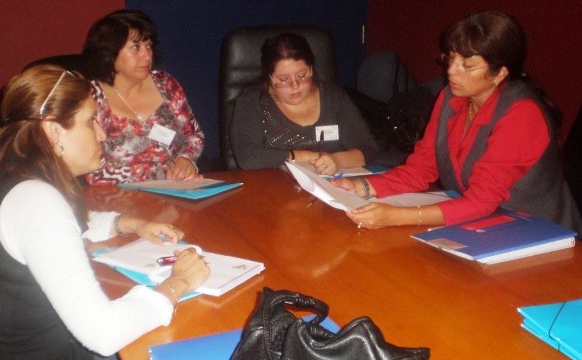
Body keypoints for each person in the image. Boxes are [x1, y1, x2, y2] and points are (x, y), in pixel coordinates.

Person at [0, 65, 210, 360]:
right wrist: (179, 283)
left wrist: (130, 224)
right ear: (53, 130)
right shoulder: (36, 202)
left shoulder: (18, 179)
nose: (102, 134)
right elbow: (104, 334)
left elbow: (65, 225)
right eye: (90, 121)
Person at [332, 10, 582, 233]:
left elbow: (482, 201)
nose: (452, 71)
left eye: (467, 65)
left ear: (500, 73)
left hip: (539, 235)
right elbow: (421, 169)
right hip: (485, 226)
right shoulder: (451, 97)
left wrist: (395, 216)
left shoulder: (521, 115)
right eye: (450, 59)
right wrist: (361, 187)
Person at [83, 9, 204, 184]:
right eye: (135, 47)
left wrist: (185, 160)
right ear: (109, 53)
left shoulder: (166, 84)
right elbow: (93, 171)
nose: (147, 55)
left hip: (176, 192)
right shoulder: (91, 99)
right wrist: (161, 176)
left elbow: (193, 136)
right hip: (119, 199)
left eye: (148, 46)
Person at [230, 33, 379, 174]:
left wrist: (338, 160)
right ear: (269, 77)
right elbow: (247, 157)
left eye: (302, 76)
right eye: (283, 79)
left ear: (312, 69)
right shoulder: (253, 101)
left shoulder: (334, 97)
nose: (295, 86)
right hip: (272, 190)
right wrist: (310, 157)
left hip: (333, 186)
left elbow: (368, 149)